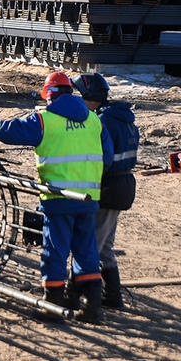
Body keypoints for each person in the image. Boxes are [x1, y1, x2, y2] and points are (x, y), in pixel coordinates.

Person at [0, 71, 112, 321]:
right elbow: (106, 156)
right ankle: (92, 306)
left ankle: (52, 305)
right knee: (87, 251)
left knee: (55, 251)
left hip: (58, 197)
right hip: (87, 198)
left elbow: (10, 131)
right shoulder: (95, 121)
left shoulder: (45, 119)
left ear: (48, 95)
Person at [71, 73, 138, 310]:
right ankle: (112, 296)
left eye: (79, 95)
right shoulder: (123, 118)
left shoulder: (103, 121)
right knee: (105, 246)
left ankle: (76, 296)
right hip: (121, 187)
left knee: (91, 245)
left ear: (90, 97)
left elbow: (102, 160)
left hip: (109, 188)